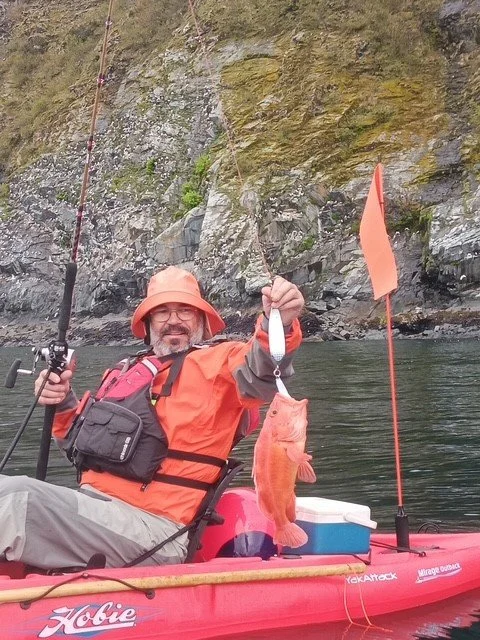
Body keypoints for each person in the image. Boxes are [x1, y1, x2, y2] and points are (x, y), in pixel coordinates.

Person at [0, 266, 304, 569]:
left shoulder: (221, 363)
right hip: (94, 509)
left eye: (185, 310)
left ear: (201, 320)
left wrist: (278, 321)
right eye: (162, 312)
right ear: (148, 323)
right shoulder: (122, 372)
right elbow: (75, 445)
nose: (173, 320)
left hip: (155, 530)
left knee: (16, 498)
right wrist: (61, 400)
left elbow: (263, 366)